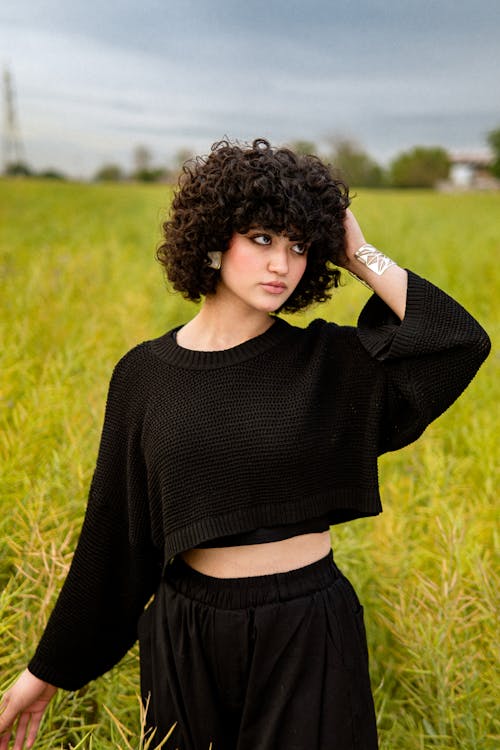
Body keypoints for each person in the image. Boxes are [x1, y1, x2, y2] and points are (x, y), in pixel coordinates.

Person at [0, 138, 490, 750]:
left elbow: (456, 339)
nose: (281, 265)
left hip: (308, 630)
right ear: (215, 237)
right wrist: (46, 673)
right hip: (187, 632)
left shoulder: (329, 362)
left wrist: (358, 253)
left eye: (299, 247)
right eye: (262, 239)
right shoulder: (145, 376)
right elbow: (114, 536)